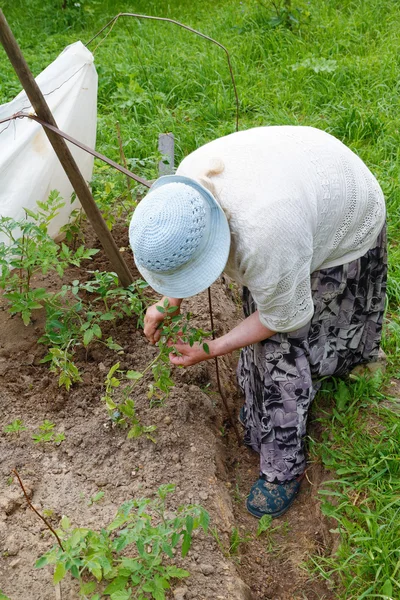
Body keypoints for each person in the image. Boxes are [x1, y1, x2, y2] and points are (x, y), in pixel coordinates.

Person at [129, 126, 387, 518]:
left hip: (345, 209)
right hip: (304, 184)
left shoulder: (266, 235)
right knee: (270, 299)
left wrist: (210, 349)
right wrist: (169, 300)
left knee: (283, 347)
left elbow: (280, 317)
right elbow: (190, 247)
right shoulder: (184, 194)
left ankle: (284, 469)